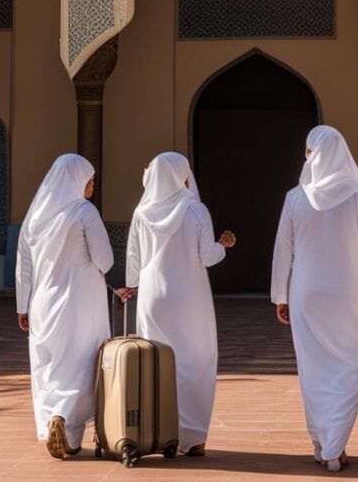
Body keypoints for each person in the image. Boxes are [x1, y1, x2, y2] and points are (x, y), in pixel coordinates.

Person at [271, 125, 358, 472]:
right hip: (347, 291)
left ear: (311, 154)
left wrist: (280, 295)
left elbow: (282, 251)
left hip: (306, 291)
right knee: (349, 363)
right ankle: (335, 445)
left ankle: (323, 443)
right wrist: (354, 262)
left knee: (313, 368)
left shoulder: (295, 197)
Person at [121, 152, 235, 457]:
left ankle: (158, 432)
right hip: (188, 297)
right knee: (193, 362)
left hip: (151, 296)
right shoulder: (196, 210)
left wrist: (132, 286)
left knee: (155, 363)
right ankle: (193, 437)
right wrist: (223, 246)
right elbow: (207, 256)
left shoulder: (141, 212)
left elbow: (133, 260)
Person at [16, 154, 113, 459]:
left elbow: (23, 268)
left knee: (51, 366)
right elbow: (105, 260)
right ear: (77, 181)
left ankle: (52, 421)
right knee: (82, 365)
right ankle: (68, 429)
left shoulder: (35, 217)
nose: (92, 186)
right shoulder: (84, 212)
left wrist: (22, 306)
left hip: (43, 302)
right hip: (80, 302)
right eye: (89, 180)